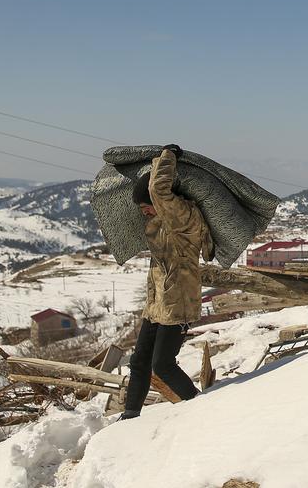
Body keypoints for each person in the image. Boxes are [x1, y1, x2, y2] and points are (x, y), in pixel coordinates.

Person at [121, 144, 214, 420]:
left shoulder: (181, 216)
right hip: (159, 302)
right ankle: (129, 417)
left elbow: (158, 189)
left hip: (178, 301)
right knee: (139, 362)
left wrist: (166, 156)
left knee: (163, 365)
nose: (144, 213)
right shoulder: (163, 221)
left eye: (145, 208)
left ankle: (200, 408)